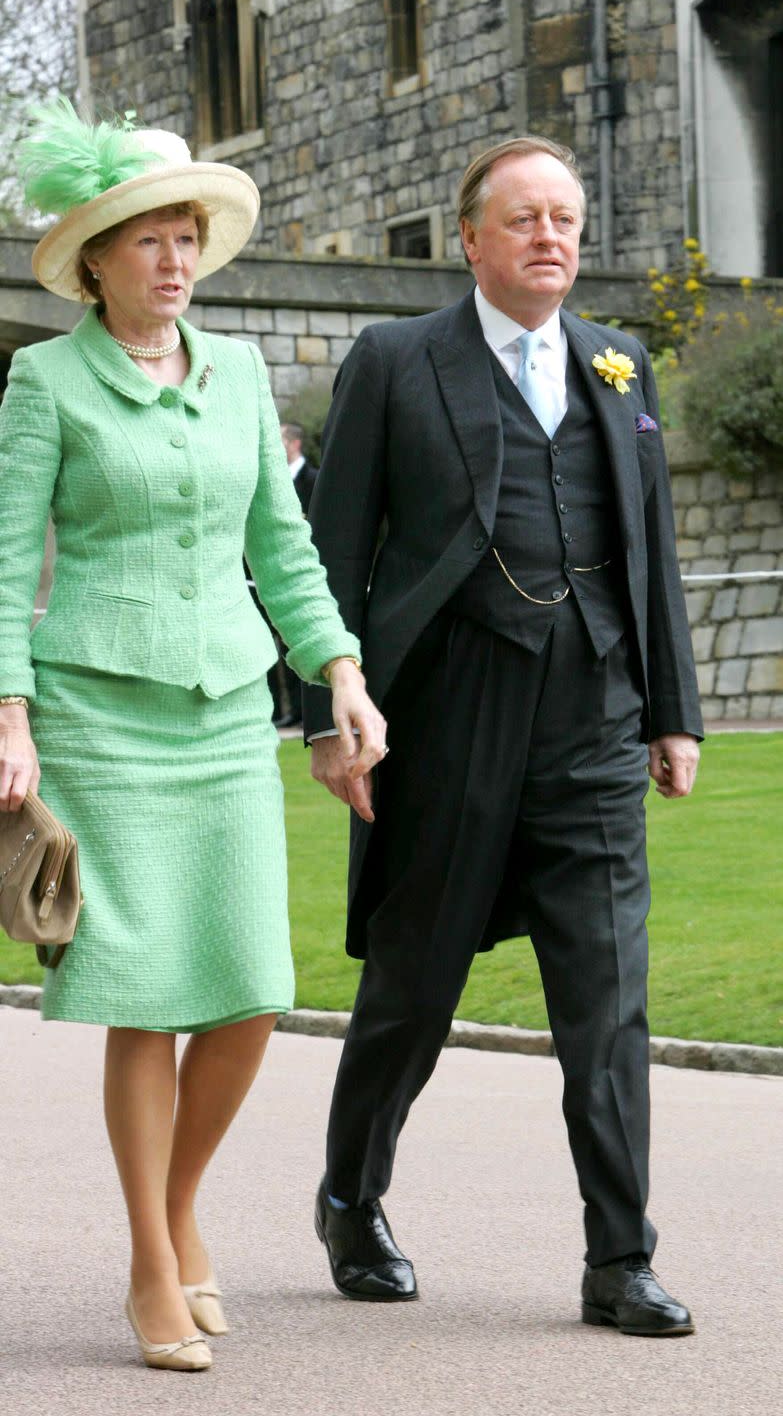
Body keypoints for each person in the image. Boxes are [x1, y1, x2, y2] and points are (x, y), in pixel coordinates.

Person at [0, 98, 386, 1372]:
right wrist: (6, 713)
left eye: (185, 236)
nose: (171, 257)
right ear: (95, 259)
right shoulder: (43, 379)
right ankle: (154, 1267)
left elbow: (285, 547)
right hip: (99, 718)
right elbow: (5, 567)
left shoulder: (240, 381)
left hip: (227, 712)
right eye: (145, 238)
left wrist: (339, 668)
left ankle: (175, 1210)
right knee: (146, 999)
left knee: (251, 993)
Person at [303, 136, 702, 1336]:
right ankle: (351, 1198)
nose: (550, 237)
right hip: (447, 713)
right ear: (471, 238)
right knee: (413, 988)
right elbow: (329, 549)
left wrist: (672, 713)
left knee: (608, 997)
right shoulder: (393, 359)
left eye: (566, 219)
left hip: (594, 714)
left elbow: (656, 556)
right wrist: (327, 715)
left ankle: (619, 1259)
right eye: (523, 219)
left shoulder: (620, 365)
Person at [257, 421, 319, 727]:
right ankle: (282, 712)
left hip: (302, 575)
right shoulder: (268, 477)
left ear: (294, 443)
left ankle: (305, 714)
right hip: (260, 578)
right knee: (270, 648)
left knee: (301, 644)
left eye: (280, 439)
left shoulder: (315, 480)